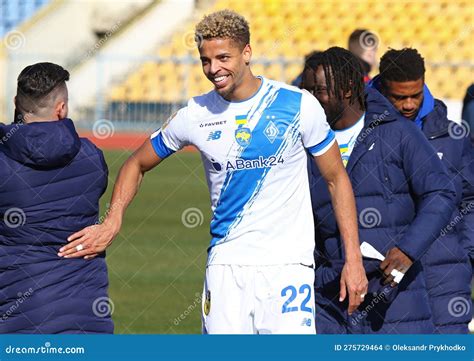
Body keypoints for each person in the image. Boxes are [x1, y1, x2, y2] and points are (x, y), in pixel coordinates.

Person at [57, 10, 367, 334]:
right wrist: (113, 219)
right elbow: (136, 163)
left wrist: (353, 259)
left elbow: (336, 179)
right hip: (225, 271)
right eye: (205, 60)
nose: (213, 69)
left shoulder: (298, 105)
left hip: (288, 269)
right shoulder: (196, 115)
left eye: (223, 57)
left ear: (247, 53)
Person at [302, 47, 457, 333]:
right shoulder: (300, 142)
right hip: (328, 296)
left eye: (319, 91)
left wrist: (408, 249)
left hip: (396, 297)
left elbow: (441, 192)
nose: (310, 100)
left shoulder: (396, 131)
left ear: (347, 89)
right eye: (306, 91)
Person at [0, 62, 113, 333]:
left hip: (19, 317)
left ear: (16, 103)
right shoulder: (92, 157)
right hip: (88, 317)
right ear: (62, 108)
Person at [369, 48, 474, 333]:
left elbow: (469, 198)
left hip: (447, 274)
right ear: (381, 88)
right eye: (399, 97)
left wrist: (465, 251)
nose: (408, 104)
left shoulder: (450, 135)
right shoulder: (360, 133)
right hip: (384, 277)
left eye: (415, 95)